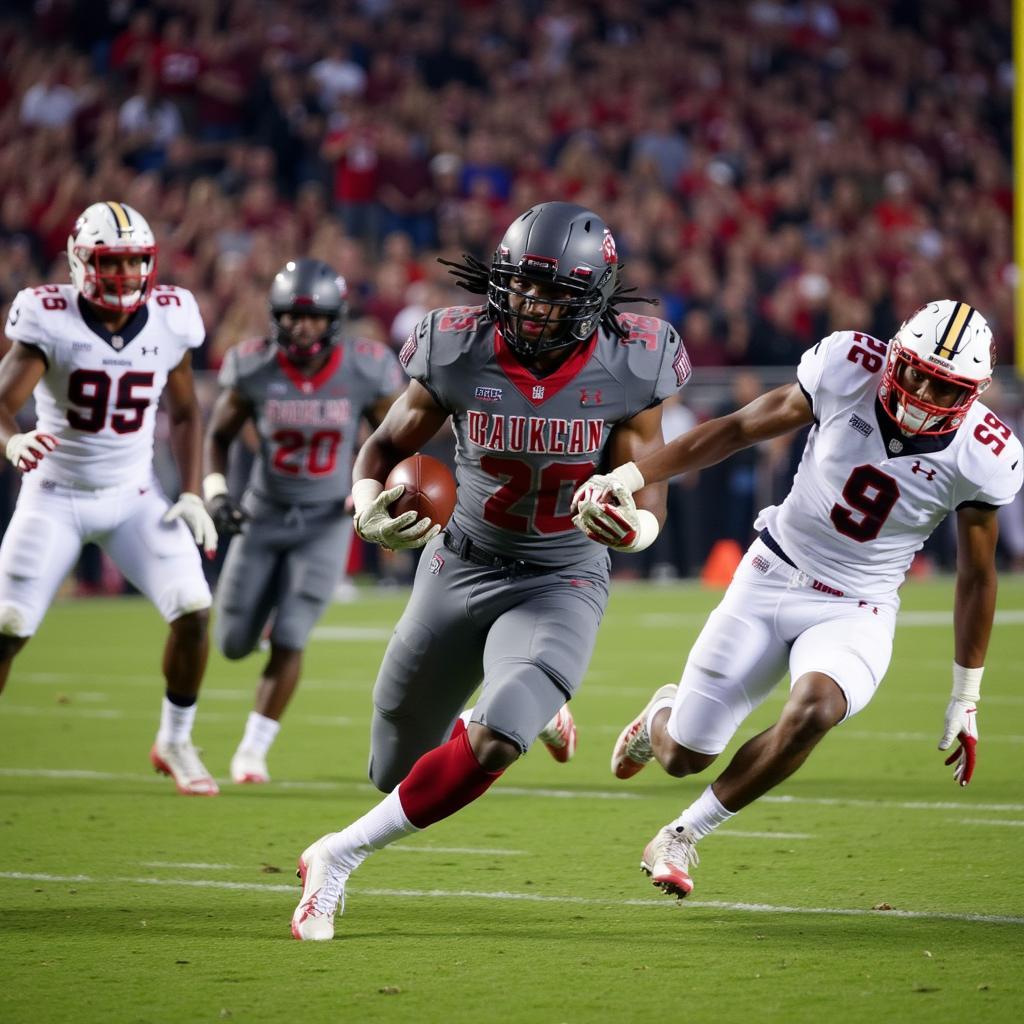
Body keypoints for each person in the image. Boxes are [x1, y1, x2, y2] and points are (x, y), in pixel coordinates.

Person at [290, 201, 691, 940]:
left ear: (594, 299)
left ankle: (337, 858)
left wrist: (640, 527)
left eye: (555, 293)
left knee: (499, 735)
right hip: (457, 567)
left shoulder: (633, 358)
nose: (533, 306)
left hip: (560, 577)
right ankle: (523, 698)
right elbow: (380, 448)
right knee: (394, 771)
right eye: (521, 286)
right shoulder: (456, 344)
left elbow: (649, 472)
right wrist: (365, 502)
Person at [573, 301, 1023, 898]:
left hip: (856, 606)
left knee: (815, 709)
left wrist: (967, 694)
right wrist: (630, 477)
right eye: (913, 370)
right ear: (895, 354)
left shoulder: (985, 453)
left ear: (973, 392)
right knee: (683, 755)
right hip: (770, 572)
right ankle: (661, 714)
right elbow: (737, 428)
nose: (918, 390)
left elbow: (977, 573)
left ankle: (682, 834)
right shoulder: (847, 367)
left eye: (942, 386)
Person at [0, 201, 219, 795]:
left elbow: (185, 411)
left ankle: (175, 739)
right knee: (8, 625)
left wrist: (193, 492)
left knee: (195, 612)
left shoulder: (172, 316)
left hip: (134, 494)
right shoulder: (50, 316)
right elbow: (1, 398)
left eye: (133, 263)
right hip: (54, 492)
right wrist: (13, 436)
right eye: (110, 263)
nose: (123, 276)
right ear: (80, 262)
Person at [202, 258, 405, 784]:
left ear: (335, 319)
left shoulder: (363, 366)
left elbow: (396, 436)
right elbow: (218, 434)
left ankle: (252, 750)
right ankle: (262, 619)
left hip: (325, 519)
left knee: (292, 633)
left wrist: (371, 488)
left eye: (313, 317)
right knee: (231, 643)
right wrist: (216, 491)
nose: (301, 327)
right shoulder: (253, 366)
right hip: (263, 514)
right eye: (291, 316)